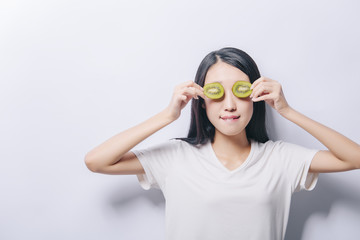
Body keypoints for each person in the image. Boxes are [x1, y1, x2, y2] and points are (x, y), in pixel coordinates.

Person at [84, 47, 360, 240]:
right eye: (217, 92)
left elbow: (354, 158)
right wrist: (168, 115)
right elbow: (96, 161)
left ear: (257, 95)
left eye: (240, 91)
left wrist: (287, 110)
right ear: (202, 100)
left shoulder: (280, 159)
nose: (229, 105)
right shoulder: (175, 157)